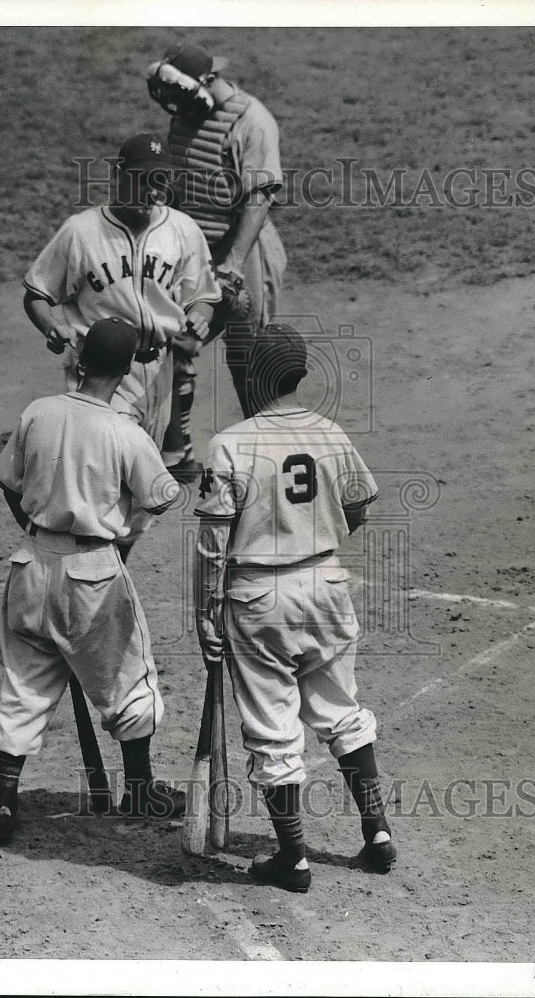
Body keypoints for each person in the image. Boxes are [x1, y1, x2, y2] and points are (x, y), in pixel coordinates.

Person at [193, 324, 396, 893]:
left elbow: (212, 544)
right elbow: (358, 505)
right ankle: (377, 832)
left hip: (258, 599)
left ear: (251, 377)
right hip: (327, 584)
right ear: (301, 374)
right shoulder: (329, 431)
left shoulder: (228, 444)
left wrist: (206, 615)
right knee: (342, 710)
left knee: (273, 728)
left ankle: (293, 858)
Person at [0, 318, 185, 845]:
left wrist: (38, 528)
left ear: (80, 361)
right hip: (93, 574)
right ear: (126, 371)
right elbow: (163, 497)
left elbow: (7, 481)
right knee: (129, 681)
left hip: (29, 564)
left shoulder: (38, 412)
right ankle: (140, 790)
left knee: (24, 684)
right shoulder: (125, 431)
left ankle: (5, 802)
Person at [22, 132, 221, 560]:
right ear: (118, 175)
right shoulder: (81, 233)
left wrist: (201, 313)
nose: (151, 190)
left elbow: (203, 293)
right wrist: (49, 325)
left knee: (140, 489)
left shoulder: (182, 230)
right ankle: (79, 569)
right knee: (105, 478)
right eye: (142, 179)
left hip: (158, 371)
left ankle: (111, 571)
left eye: (160, 180)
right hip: (100, 373)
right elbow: (37, 293)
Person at [147, 43, 288, 478]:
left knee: (247, 357)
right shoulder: (187, 113)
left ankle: (265, 454)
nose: (178, 108)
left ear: (208, 82)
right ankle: (177, 453)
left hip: (242, 251)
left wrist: (232, 264)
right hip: (194, 252)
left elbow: (259, 196)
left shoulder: (251, 120)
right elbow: (187, 180)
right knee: (179, 344)